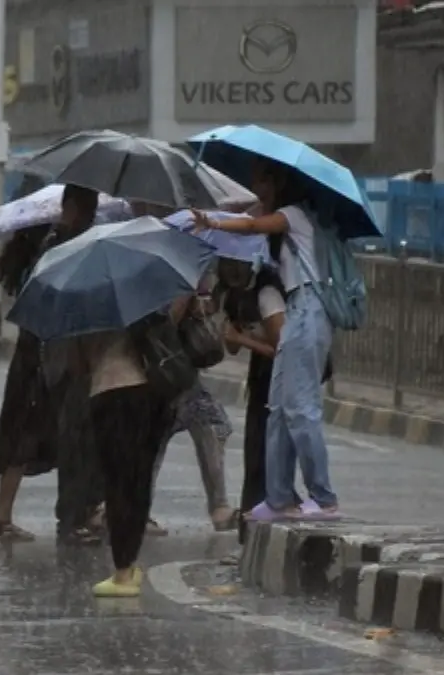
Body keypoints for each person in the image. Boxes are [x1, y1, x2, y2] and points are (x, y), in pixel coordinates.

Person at [193, 157, 341, 520]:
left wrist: (213, 221)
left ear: (278, 184)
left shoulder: (294, 215)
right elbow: (252, 222)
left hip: (309, 308)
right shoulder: (280, 226)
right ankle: (278, 497)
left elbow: (252, 225)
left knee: (301, 409)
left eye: (262, 181)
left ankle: (323, 498)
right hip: (298, 309)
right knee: (277, 409)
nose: (257, 189)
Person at [51, 307, 183, 596]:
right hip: (148, 392)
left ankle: (123, 570)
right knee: (138, 480)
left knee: (117, 484)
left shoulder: (83, 311)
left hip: (108, 394)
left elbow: (78, 367)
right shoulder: (139, 303)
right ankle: (130, 561)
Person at [131, 200, 235, 534]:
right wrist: (188, 296)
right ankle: (215, 507)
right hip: (166, 367)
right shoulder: (172, 266)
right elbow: (170, 319)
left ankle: (140, 509)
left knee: (182, 429)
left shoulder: (168, 260)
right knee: (187, 427)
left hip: (173, 369)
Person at [220, 259, 307, 542]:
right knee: (256, 456)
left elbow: (283, 349)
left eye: (236, 264)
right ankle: (253, 529)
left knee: (266, 456)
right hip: (260, 383)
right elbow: (232, 346)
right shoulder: (235, 295)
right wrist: (230, 333)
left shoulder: (267, 293)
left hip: (282, 381)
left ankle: (280, 518)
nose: (231, 269)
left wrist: (244, 340)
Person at [44, 184, 107, 545]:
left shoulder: (89, 243)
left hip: (83, 355)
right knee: (74, 441)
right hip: (69, 356)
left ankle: (84, 509)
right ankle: (71, 516)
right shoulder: (59, 246)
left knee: (88, 441)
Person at [0, 224, 55, 542]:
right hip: (38, 359)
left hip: (27, 359)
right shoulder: (41, 267)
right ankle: (2, 518)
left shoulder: (25, 262)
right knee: (23, 439)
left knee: (18, 436)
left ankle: (3, 516)